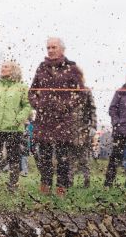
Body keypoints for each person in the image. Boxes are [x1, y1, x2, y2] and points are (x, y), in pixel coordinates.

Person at [29, 37, 88, 196]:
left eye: (53, 47)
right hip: (44, 119)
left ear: (62, 49)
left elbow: (81, 93)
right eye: (48, 47)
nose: (50, 50)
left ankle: (62, 188)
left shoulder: (72, 68)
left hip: (63, 120)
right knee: (45, 156)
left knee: (63, 157)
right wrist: (38, 104)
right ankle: (45, 186)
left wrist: (66, 106)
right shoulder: (41, 68)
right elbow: (32, 92)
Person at [0, 61, 32, 192]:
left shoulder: (21, 87)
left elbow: (27, 105)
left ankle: (13, 185)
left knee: (14, 156)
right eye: (2, 66)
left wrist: (19, 118)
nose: (2, 68)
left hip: (14, 128)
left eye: (6, 67)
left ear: (13, 70)